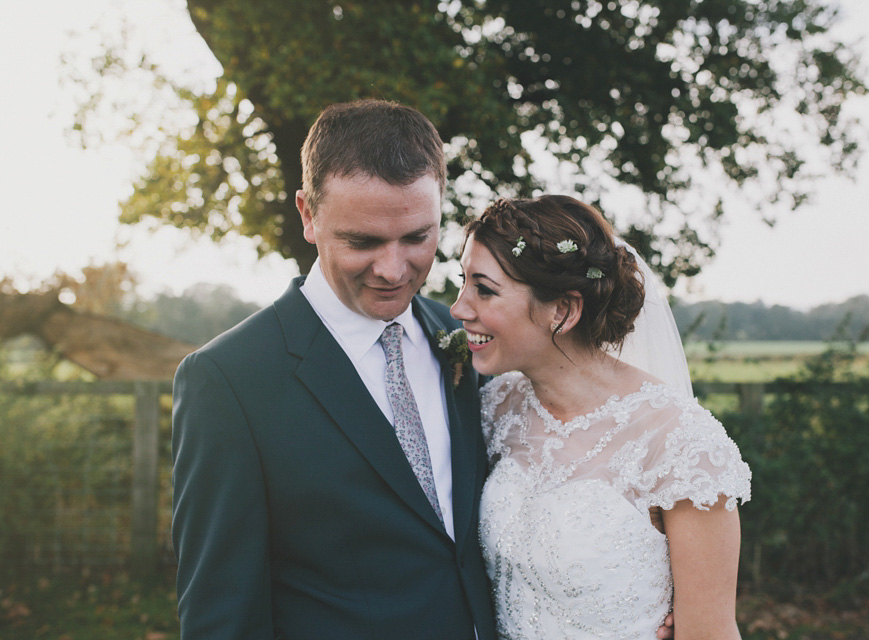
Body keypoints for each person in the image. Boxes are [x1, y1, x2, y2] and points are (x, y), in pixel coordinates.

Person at [171, 100, 497, 639]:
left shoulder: (465, 337)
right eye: (362, 241)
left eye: (417, 237)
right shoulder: (227, 380)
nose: (394, 270)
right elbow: (220, 612)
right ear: (308, 214)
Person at [451, 195, 752, 639]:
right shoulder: (494, 408)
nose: (458, 308)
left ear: (563, 310)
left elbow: (709, 632)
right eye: (463, 282)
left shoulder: (681, 443)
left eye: (484, 288)